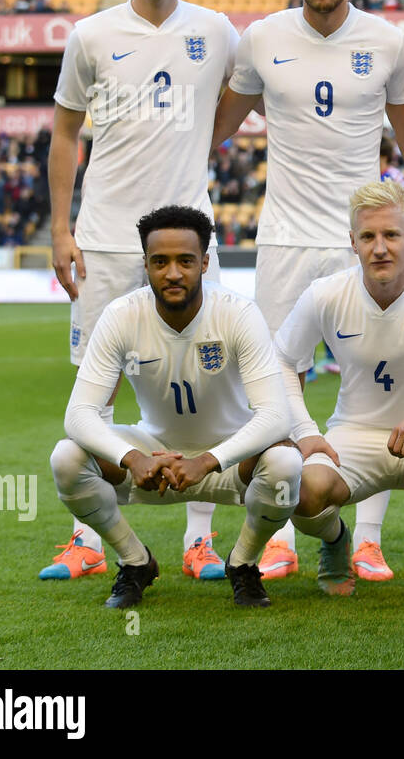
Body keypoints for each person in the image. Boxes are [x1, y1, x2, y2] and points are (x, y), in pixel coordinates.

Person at [213, 0, 404, 583]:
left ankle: (365, 537)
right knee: (273, 379)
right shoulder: (261, 39)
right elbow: (217, 127)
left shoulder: (386, 41)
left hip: (362, 238)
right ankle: (285, 527)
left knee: (382, 378)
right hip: (284, 235)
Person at [44, 0, 237, 584]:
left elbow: (244, 100)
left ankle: (199, 539)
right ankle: (88, 539)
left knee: (203, 384)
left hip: (186, 238)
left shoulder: (216, 31)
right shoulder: (91, 35)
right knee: (91, 393)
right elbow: (65, 134)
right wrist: (61, 229)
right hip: (102, 239)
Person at [48, 205, 300, 609]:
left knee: (287, 464)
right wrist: (131, 457)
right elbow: (78, 415)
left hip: (229, 460)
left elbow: (276, 415)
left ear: (204, 263)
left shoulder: (238, 313)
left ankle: (243, 563)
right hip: (154, 457)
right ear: (145, 264)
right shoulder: (120, 316)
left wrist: (208, 461)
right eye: (159, 261)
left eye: (185, 261)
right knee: (66, 457)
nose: (172, 273)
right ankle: (135, 562)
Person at [273, 181, 404, 602]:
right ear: (352, 242)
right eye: (368, 236)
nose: (380, 247)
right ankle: (335, 542)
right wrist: (304, 430)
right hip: (353, 436)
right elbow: (280, 361)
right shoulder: (325, 295)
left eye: (391, 235)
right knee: (296, 487)